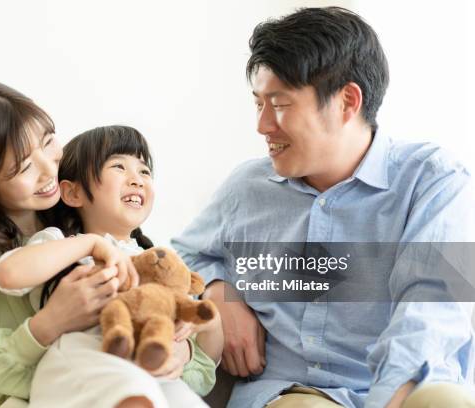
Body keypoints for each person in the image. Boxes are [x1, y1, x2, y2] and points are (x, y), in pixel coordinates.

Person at [172, 7, 475, 408]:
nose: (262, 125)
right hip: (294, 392)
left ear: (347, 101)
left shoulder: (433, 180)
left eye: (279, 104)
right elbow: (180, 256)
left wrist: (390, 400)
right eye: (258, 103)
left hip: (406, 390)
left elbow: (431, 309)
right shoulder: (246, 188)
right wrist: (218, 290)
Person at [0, 81, 137, 408]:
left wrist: (182, 349)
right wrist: (46, 325)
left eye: (48, 142)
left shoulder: (80, 206)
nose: (50, 170)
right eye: (23, 167)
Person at [0, 125, 223, 408]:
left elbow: (208, 360)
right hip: (81, 363)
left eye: (144, 171)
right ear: (73, 193)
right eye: (119, 166)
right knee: (133, 391)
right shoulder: (63, 243)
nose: (137, 180)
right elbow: (10, 273)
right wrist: (89, 244)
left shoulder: (159, 261)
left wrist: (189, 344)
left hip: (148, 368)